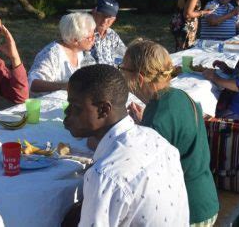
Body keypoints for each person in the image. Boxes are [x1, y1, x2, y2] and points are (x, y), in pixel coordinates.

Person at [63, 64, 189, 226]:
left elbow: (111, 176)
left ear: (103, 110)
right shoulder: (155, 139)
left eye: (76, 107)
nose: (67, 112)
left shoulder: (105, 175)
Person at [121, 40, 219, 225]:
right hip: (205, 199)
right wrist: (145, 124)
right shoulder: (180, 95)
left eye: (123, 69)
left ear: (139, 79)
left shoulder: (157, 116)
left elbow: (138, 172)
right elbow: (175, 136)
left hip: (186, 211)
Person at [28, 12, 95, 95]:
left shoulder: (78, 51)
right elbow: (32, 84)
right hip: (47, 104)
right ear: (75, 40)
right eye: (90, 37)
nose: (93, 40)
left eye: (94, 35)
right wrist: (64, 86)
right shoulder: (52, 54)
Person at [90, 0, 126, 65]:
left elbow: (124, 56)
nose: (104, 20)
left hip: (111, 73)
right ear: (94, 13)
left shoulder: (112, 35)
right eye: (102, 15)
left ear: (113, 20)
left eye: (109, 17)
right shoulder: (84, 33)